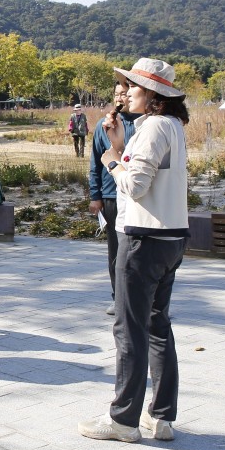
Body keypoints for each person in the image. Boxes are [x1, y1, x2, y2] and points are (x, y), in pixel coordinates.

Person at [80, 58, 190, 443]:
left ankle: (123, 419)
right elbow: (149, 172)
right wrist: (119, 146)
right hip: (171, 235)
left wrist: (109, 158)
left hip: (142, 238)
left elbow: (135, 184)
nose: (125, 93)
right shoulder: (171, 125)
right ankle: (160, 417)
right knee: (158, 325)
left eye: (133, 87)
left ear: (154, 97)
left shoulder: (154, 127)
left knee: (129, 329)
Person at [89, 83, 139, 315]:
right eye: (117, 93)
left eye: (125, 93)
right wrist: (95, 195)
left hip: (136, 193)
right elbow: (95, 161)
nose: (121, 98)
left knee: (138, 250)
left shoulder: (143, 123)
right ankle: (117, 297)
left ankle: (140, 299)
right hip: (111, 194)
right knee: (116, 251)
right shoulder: (104, 124)